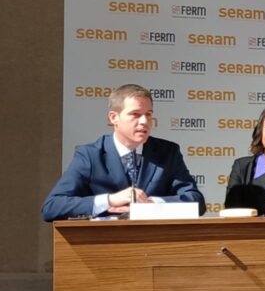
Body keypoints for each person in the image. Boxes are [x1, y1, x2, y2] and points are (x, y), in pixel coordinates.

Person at [42, 84, 205, 221]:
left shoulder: (168, 152)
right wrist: (110, 200)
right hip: (106, 244)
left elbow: (196, 202)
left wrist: (152, 204)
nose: (144, 121)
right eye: (135, 114)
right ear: (114, 117)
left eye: (148, 115)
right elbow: (52, 207)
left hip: (156, 243)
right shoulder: (90, 155)